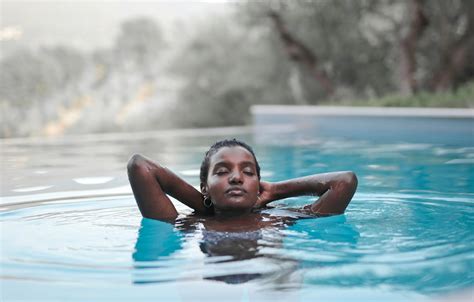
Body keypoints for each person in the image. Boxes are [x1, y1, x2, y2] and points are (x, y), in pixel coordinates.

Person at [127, 138, 358, 224]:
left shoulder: (281, 219)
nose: (237, 177)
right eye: (222, 171)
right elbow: (140, 166)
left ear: (258, 183)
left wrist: (276, 190)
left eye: (248, 172)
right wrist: (206, 203)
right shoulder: (188, 224)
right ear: (205, 186)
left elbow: (344, 182)